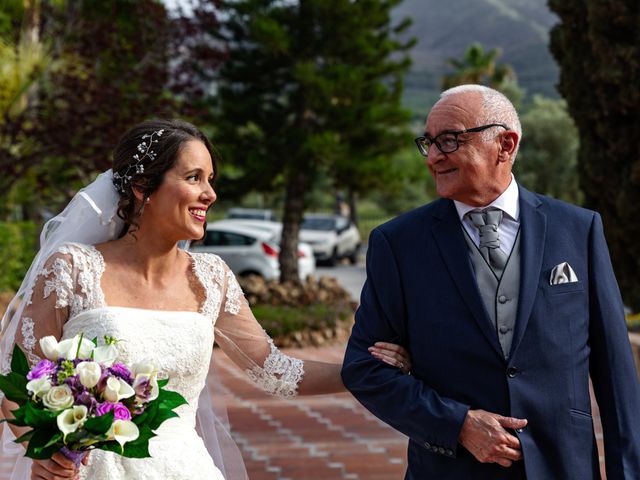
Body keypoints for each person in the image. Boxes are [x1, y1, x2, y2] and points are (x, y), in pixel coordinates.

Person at [0, 119, 411, 480]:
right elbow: (18, 387)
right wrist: (49, 454)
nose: (210, 193)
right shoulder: (72, 267)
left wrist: (363, 371)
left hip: (187, 468)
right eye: (194, 177)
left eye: (210, 179)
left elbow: (276, 371)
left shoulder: (211, 277)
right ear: (143, 187)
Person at [341, 84, 640, 479]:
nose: (432, 157)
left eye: (448, 141)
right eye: (427, 143)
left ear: (505, 144)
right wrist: (457, 424)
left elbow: (616, 378)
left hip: (563, 468)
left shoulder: (578, 229)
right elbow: (363, 367)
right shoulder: (396, 244)